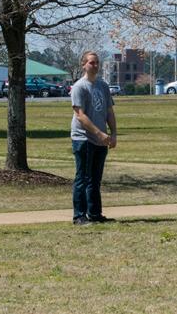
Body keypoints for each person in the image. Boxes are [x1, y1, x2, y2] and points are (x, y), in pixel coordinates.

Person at [70, 50, 117, 225]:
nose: (95, 65)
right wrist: (99, 133)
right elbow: (80, 115)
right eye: (91, 62)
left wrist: (113, 133)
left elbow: (109, 111)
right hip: (83, 139)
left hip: (101, 139)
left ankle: (95, 213)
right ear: (83, 65)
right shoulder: (79, 87)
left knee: (95, 179)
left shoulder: (103, 86)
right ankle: (79, 216)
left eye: (97, 62)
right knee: (82, 178)